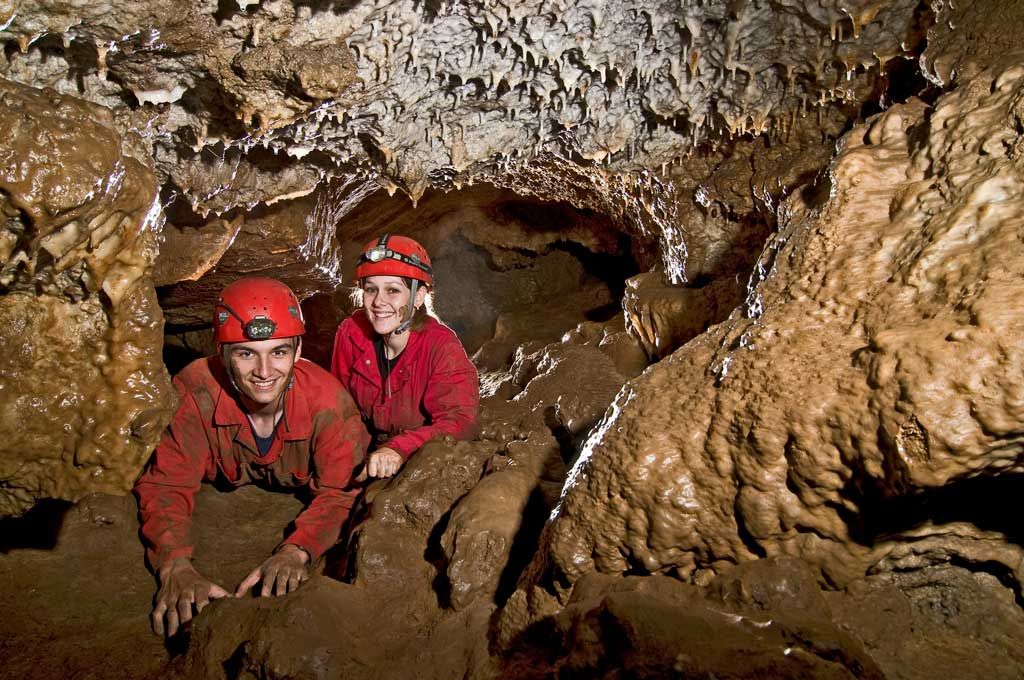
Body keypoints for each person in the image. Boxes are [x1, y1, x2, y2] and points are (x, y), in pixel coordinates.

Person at [134, 277, 368, 637]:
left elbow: (342, 491)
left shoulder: (327, 402)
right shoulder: (196, 391)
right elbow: (166, 483)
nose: (264, 371)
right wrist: (174, 565)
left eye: (278, 352)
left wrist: (297, 550)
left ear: (297, 350)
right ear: (222, 355)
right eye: (246, 353)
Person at [330, 234, 479, 480]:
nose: (379, 302)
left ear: (418, 296)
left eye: (392, 290)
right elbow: (337, 409)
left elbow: (461, 422)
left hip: (416, 457)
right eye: (371, 290)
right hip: (367, 453)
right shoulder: (351, 333)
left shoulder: (441, 346)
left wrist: (399, 448)